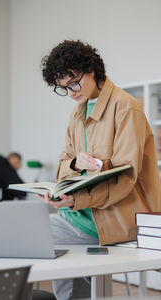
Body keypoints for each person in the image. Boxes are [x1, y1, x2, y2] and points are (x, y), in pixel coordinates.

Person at [41, 40, 161, 300]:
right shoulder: (78, 113)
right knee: (26, 235)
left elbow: (124, 179)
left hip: (110, 221)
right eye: (63, 88)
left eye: (74, 82)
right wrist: (75, 164)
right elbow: (64, 162)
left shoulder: (126, 107)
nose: (71, 93)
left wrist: (76, 199)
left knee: (31, 242)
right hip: (76, 216)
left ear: (91, 70)